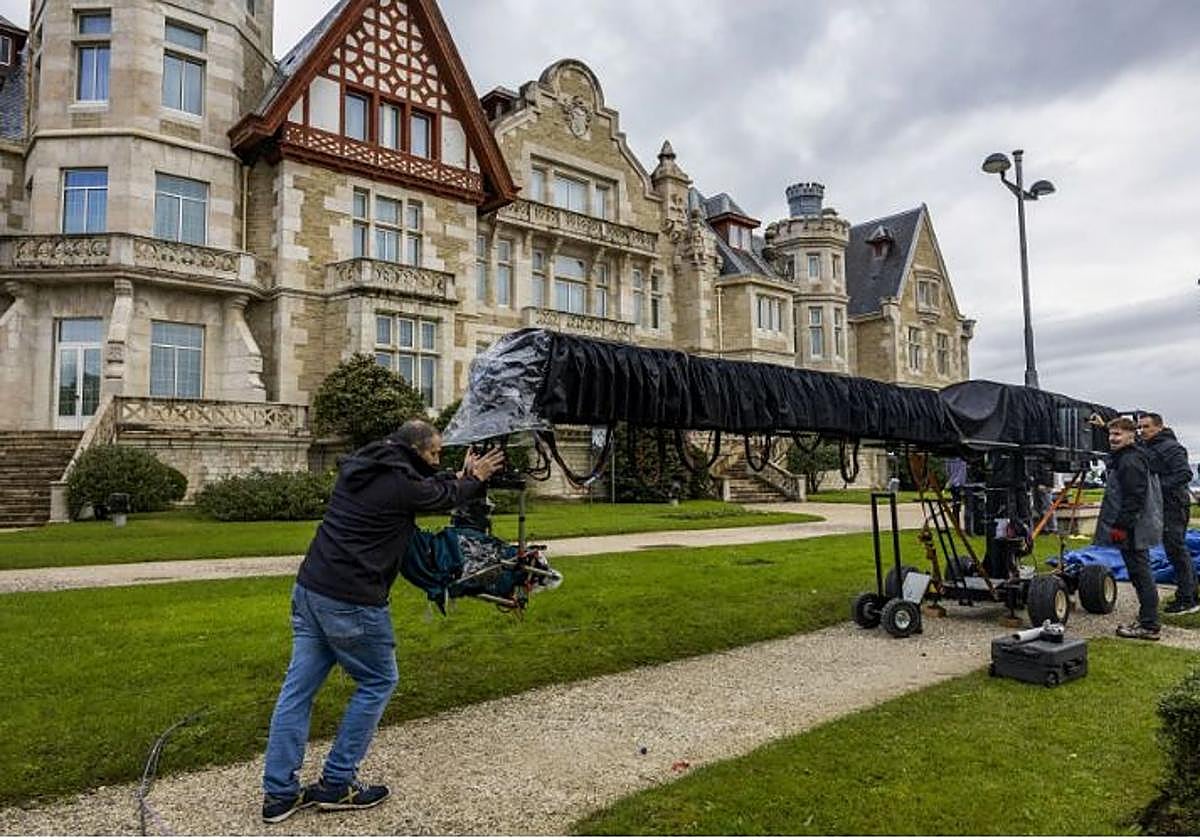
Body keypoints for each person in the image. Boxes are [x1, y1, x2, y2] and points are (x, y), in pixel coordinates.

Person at [261, 420, 505, 823]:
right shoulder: (400, 483)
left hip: (311, 589)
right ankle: (337, 783)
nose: (437, 459)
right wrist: (473, 478)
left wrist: (459, 476)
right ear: (414, 450)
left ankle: (278, 794)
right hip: (351, 600)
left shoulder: (366, 465)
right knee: (378, 681)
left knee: (297, 691)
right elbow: (436, 495)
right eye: (433, 453)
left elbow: (427, 485)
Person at [1097, 416, 1164, 641]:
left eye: (1118, 434)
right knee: (1140, 572)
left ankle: (1149, 624)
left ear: (1130, 435)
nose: (1112, 438)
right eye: (1110, 434)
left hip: (1134, 527)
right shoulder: (1131, 455)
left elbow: (1134, 496)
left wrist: (1121, 526)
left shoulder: (1130, 461)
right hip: (1137, 525)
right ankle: (1148, 620)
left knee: (1140, 573)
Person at [1137, 412, 1197, 614]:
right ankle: (1188, 593)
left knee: (1176, 549)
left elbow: (1185, 474)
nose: (1142, 431)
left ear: (1159, 427)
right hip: (1159, 506)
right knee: (1172, 550)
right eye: (1140, 427)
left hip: (1174, 505)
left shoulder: (1171, 448)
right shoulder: (1148, 446)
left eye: (1146, 427)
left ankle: (1187, 598)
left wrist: (1156, 488)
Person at [944, 456, 968, 528]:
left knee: (956, 505)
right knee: (957, 505)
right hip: (959, 484)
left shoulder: (948, 459)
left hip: (955, 484)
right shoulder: (963, 459)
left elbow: (948, 471)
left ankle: (957, 524)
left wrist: (950, 482)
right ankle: (957, 524)